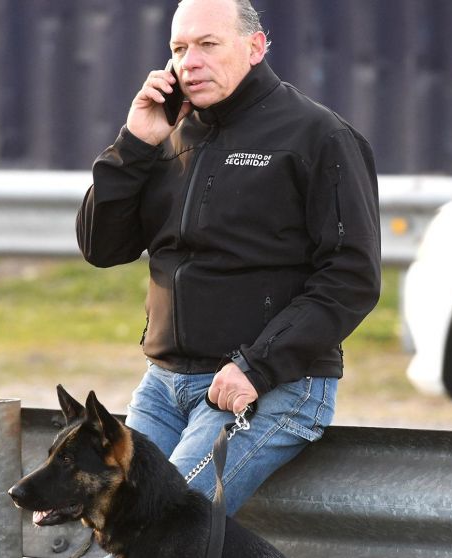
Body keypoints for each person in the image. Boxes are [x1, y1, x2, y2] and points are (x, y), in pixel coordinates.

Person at [76, 0, 380, 516]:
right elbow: (102, 248)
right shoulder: (167, 134)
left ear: (256, 47)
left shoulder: (318, 136)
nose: (189, 62)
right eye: (178, 48)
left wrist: (256, 368)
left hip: (271, 384)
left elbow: (351, 277)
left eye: (207, 45)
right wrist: (134, 145)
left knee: (162, 527)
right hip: (166, 384)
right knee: (109, 522)